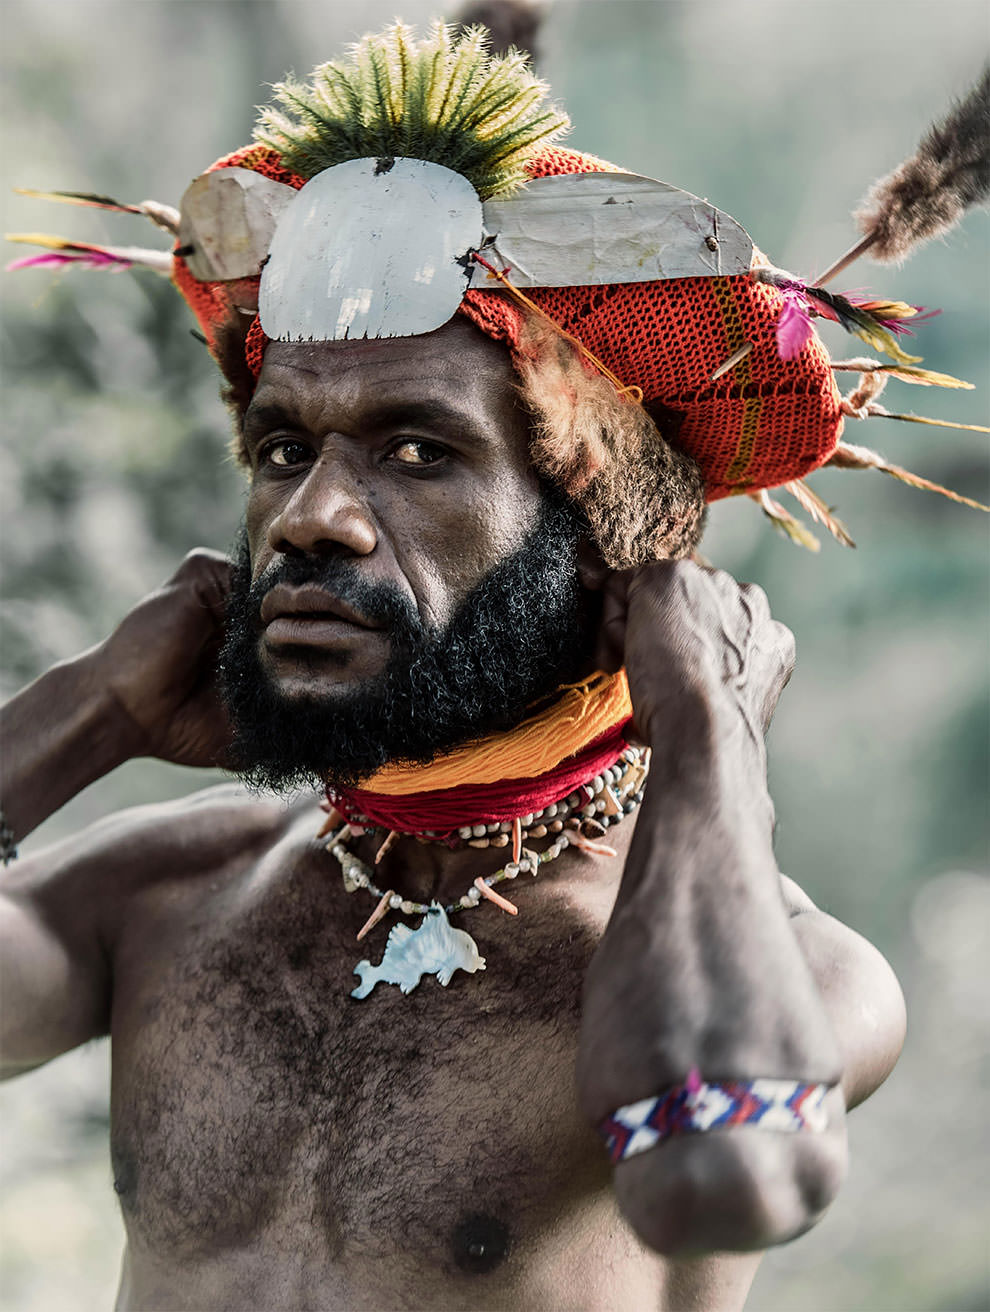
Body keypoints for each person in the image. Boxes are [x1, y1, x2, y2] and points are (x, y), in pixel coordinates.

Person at [3, 21, 953, 1311]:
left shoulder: (793, 974)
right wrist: (87, 711)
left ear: (608, 530)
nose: (310, 518)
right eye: (284, 448)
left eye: (415, 454)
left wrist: (712, 730)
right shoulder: (171, 893)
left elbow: (722, 1174)